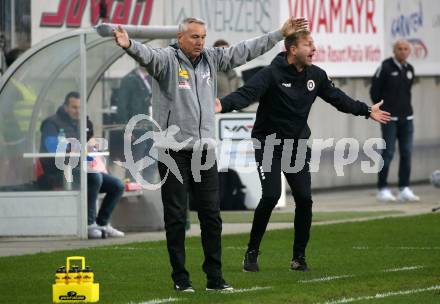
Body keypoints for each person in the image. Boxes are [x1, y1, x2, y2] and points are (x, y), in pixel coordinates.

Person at [113, 16, 309, 292]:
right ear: (180, 38)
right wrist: (129, 45)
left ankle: (214, 278)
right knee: (177, 216)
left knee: (212, 216)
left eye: (203, 37)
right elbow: (147, 55)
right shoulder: (166, 61)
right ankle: (181, 278)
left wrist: (278, 34)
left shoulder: (211, 59)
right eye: (195, 37)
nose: (200, 42)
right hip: (172, 153)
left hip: (204, 152)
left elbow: (245, 50)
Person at [216, 31, 391, 273]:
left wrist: (366, 110)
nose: (314, 49)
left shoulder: (315, 75)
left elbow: (338, 98)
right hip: (268, 145)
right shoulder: (270, 73)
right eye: (308, 45)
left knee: (304, 199)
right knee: (270, 196)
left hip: (296, 146)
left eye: (314, 45)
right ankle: (252, 251)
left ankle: (299, 257)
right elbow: (247, 94)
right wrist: (223, 104)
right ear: (292, 49)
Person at [39, 91, 125, 239]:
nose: (77, 111)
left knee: (117, 185)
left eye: (80, 107)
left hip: (79, 168)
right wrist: (75, 147)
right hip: (58, 172)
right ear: (65, 107)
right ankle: (89, 224)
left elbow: (89, 147)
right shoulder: (51, 123)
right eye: (74, 107)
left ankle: (102, 223)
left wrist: (93, 146)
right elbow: (51, 146)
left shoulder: (84, 122)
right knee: (94, 178)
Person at [370, 39, 419, 202]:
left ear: (409, 51)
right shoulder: (385, 67)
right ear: (394, 51)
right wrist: (381, 110)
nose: (403, 51)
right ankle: (382, 188)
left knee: (407, 153)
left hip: (407, 118)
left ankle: (404, 187)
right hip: (390, 118)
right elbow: (374, 90)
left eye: (406, 49)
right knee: (388, 153)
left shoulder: (410, 69)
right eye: (400, 48)